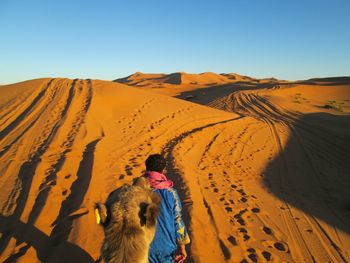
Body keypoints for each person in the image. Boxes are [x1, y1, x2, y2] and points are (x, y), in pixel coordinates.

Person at [144, 154, 190, 263]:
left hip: (143, 249)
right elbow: (178, 221)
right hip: (167, 249)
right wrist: (182, 247)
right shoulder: (171, 194)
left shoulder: (136, 192)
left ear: (147, 169)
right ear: (163, 170)